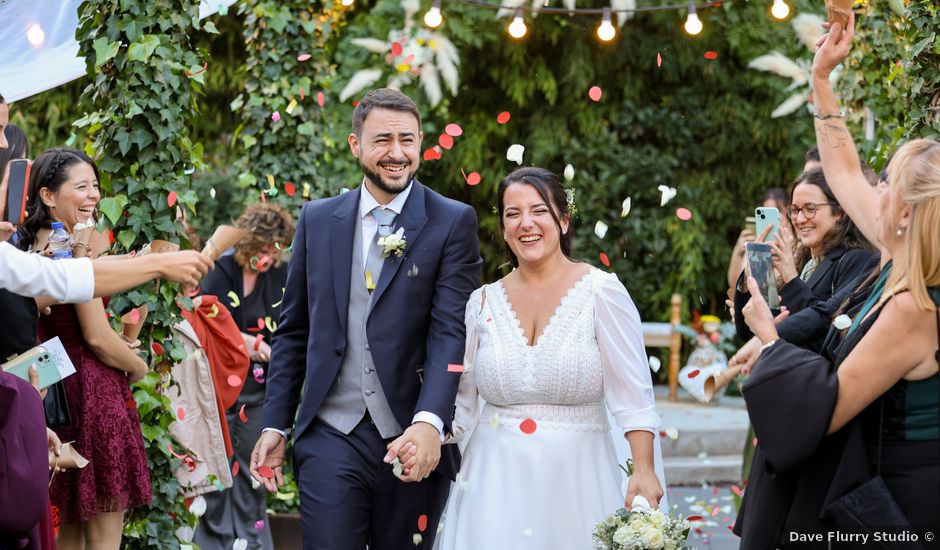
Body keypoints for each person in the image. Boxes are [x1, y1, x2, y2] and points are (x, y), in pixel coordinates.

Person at [733, 14, 940, 546]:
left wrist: (769, 339)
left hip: (902, 503)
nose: (877, 187)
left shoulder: (916, 308)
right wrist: (821, 79)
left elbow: (825, 408)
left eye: (888, 180)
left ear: (906, 213)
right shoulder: (903, 249)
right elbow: (843, 172)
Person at [250, 88, 482, 549]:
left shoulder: (451, 221)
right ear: (355, 144)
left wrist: (430, 422)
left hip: (412, 435)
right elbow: (295, 331)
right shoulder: (318, 220)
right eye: (382, 140)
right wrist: (276, 423)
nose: (396, 153)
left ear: (420, 143)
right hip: (330, 434)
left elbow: (450, 332)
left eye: (407, 140)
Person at [436, 167, 665, 550]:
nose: (526, 223)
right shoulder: (481, 303)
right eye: (513, 213)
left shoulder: (601, 293)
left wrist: (643, 470)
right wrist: (423, 431)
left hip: (578, 483)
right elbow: (462, 405)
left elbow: (634, 397)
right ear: (504, 226)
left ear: (562, 219)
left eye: (538, 210)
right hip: (492, 488)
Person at [17, 148, 152, 550]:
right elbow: (96, 336)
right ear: (48, 196)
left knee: (66, 531)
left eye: (95, 185)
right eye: (81, 187)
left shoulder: (25, 245)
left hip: (49, 389)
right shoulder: (72, 248)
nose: (93, 195)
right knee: (104, 538)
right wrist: (138, 365)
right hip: (91, 392)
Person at [195, 203, 294, 550]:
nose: (267, 258)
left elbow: (289, 328)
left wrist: (270, 348)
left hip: (259, 390)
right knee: (218, 465)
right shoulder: (222, 268)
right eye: (262, 249)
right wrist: (244, 341)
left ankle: (251, 542)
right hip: (219, 385)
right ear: (248, 242)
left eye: (274, 251)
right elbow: (203, 319)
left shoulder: (280, 276)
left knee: (254, 464)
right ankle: (214, 541)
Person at [726, 187, 789, 292]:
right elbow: (735, 286)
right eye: (766, 213)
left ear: (788, 211)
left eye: (775, 212)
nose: (771, 220)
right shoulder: (757, 244)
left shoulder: (797, 244)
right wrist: (737, 251)